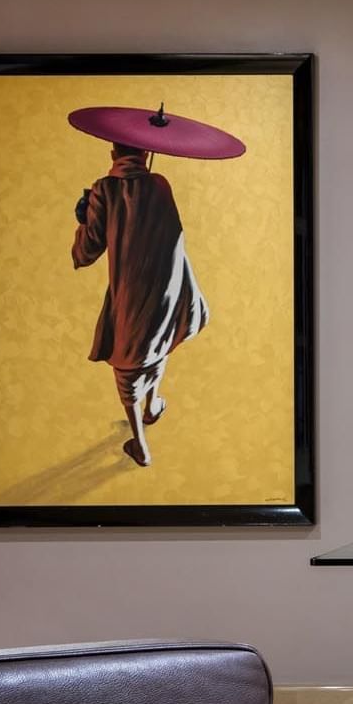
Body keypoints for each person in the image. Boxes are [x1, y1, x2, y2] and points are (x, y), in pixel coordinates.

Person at [72, 141, 210, 467]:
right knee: (157, 344)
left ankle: (141, 446)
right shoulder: (160, 183)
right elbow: (173, 233)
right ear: (146, 153)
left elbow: (87, 250)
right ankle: (151, 408)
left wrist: (83, 215)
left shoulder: (104, 189)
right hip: (166, 288)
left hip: (131, 290)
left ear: (113, 154)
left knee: (128, 364)